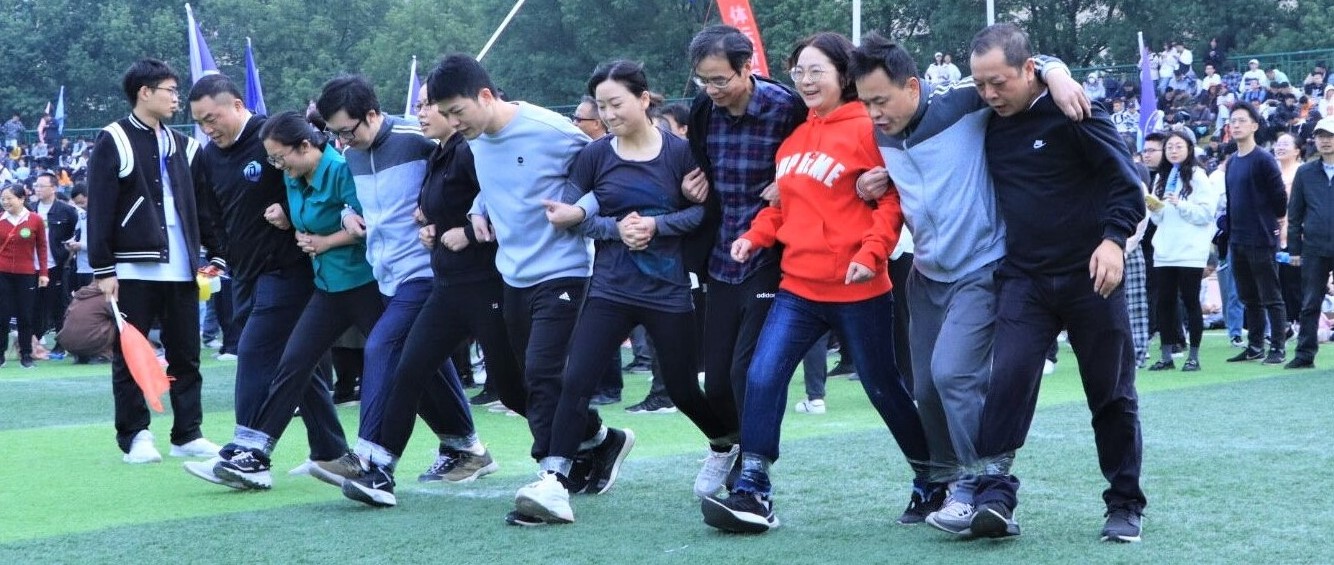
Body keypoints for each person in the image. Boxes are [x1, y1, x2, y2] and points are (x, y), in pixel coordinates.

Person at [846, 32, 1090, 532]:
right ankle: (950, 484)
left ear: (912, 87)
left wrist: (1058, 74)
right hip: (926, 277)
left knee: (954, 375)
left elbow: (1021, 62)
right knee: (927, 389)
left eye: (881, 101)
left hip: (981, 268)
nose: (873, 113)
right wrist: (874, 180)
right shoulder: (881, 134)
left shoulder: (959, 102)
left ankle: (983, 484)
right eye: (866, 103)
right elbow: (903, 181)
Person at [700, 32, 930, 534]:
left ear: (843, 75)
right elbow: (783, 206)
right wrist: (753, 237)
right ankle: (753, 489)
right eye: (798, 71)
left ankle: (931, 481)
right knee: (762, 376)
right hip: (798, 288)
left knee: (883, 387)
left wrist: (871, 255)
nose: (805, 80)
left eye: (816, 70)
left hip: (859, 289)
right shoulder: (795, 140)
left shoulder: (867, 128)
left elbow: (891, 203)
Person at [521, 60, 736, 524]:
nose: (608, 114)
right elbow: (573, 218)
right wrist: (616, 229)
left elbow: (704, 215)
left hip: (668, 290)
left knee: (682, 389)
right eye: (601, 106)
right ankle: (554, 479)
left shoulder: (682, 153)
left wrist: (657, 226)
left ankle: (726, 445)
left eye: (615, 103)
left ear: (643, 98)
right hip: (610, 289)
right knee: (575, 380)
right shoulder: (595, 156)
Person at [425, 53, 634, 526]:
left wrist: (579, 212)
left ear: (485, 95)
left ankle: (551, 478)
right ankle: (601, 440)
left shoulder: (553, 131)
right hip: (513, 274)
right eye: (446, 115)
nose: (454, 124)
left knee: (543, 373)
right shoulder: (475, 140)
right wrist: (478, 208)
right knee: (516, 386)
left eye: (458, 112)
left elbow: (606, 172)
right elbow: (497, 184)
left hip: (565, 269)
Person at [966, 24, 1147, 542]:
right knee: (1007, 382)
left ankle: (1125, 503)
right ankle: (994, 495)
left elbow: (1127, 187)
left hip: (1092, 277)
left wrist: (1113, 240)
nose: (989, 94)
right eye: (980, 84)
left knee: (1110, 394)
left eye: (998, 82)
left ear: (1028, 70)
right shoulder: (986, 119)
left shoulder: (1076, 111)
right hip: (1024, 278)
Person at [340, 81, 524, 507]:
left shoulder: (473, 151)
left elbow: (510, 204)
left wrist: (466, 233)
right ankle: (378, 470)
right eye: (421, 105)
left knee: (514, 389)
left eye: (431, 106)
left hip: (484, 286)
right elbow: (443, 208)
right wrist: (431, 225)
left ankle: (592, 439)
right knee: (407, 369)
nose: (421, 113)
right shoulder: (438, 152)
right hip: (445, 286)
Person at [180, 75, 351, 489]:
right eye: (200, 122)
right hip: (244, 273)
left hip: (289, 268)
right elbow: (212, 214)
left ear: (238, 105)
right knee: (297, 363)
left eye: (212, 118)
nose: (208, 128)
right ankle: (331, 453)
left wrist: (290, 216)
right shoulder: (207, 157)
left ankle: (246, 453)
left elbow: (315, 176)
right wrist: (221, 255)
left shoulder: (272, 136)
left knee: (255, 351)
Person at [208, 111, 379, 489]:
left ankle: (459, 442)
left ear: (304, 146)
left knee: (407, 364)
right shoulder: (293, 177)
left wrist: (326, 240)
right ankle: (254, 454)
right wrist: (287, 217)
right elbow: (301, 215)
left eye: (280, 157)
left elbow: (368, 224)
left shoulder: (341, 170)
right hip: (328, 289)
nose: (277, 167)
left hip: (363, 285)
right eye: (271, 160)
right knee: (293, 364)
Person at [682, 26, 807, 494]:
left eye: (720, 80)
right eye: (704, 80)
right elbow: (701, 169)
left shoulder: (786, 107)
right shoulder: (703, 111)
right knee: (715, 382)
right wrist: (691, 187)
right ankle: (732, 448)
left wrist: (791, 184)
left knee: (745, 373)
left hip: (772, 255)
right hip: (720, 256)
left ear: (746, 68)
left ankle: (753, 469)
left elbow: (814, 157)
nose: (712, 90)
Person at [86, 59, 226, 464]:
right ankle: (136, 435)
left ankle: (188, 433)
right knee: (131, 353)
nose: (176, 99)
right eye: (170, 90)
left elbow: (203, 207)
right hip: (132, 266)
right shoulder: (114, 138)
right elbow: (100, 207)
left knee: (187, 354)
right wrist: (103, 268)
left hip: (182, 267)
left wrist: (216, 253)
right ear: (144, 92)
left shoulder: (186, 146)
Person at [1145, 131, 1221, 372]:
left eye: (1178, 146)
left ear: (1189, 148)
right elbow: (1158, 219)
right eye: (1169, 147)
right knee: (1164, 303)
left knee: (1190, 302)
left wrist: (1181, 204)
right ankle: (1166, 355)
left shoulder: (1198, 176)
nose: (1173, 151)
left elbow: (1206, 214)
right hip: (1165, 250)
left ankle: (1193, 356)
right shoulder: (1161, 176)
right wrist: (1155, 208)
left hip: (1190, 251)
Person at [1223, 102, 1289, 365]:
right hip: (1237, 238)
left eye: (1242, 120)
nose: (1236, 125)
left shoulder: (1264, 159)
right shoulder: (1231, 162)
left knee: (1271, 295)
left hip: (1261, 237)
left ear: (1255, 125)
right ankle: (1255, 346)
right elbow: (1231, 201)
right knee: (1249, 296)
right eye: (1233, 121)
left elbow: (1279, 199)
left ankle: (1278, 347)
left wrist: (1272, 223)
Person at [1284, 117, 1334, 369]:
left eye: (1330, 136)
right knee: (1309, 303)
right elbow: (1295, 213)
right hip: (1314, 246)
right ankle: (1304, 354)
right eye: (1321, 136)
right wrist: (1294, 249)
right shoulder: (1305, 173)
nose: (1325, 141)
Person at [28, 171, 77, 358]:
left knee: (58, 305)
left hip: (56, 265)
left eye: (42, 186)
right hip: (31, 265)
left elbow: (76, 232)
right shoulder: (30, 209)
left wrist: (68, 252)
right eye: (36, 186)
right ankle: (32, 343)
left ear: (54, 188)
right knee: (34, 305)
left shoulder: (67, 211)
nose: (38, 189)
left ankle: (61, 344)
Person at [0, 184, 48, 368]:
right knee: (2, 315)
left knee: (25, 316)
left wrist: (43, 273)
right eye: (3, 198)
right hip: (2, 273)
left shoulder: (35, 220)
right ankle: (1, 355)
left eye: (9, 198)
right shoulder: (1, 219)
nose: (5, 202)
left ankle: (26, 355)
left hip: (26, 273)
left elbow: (42, 247)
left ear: (21, 199)